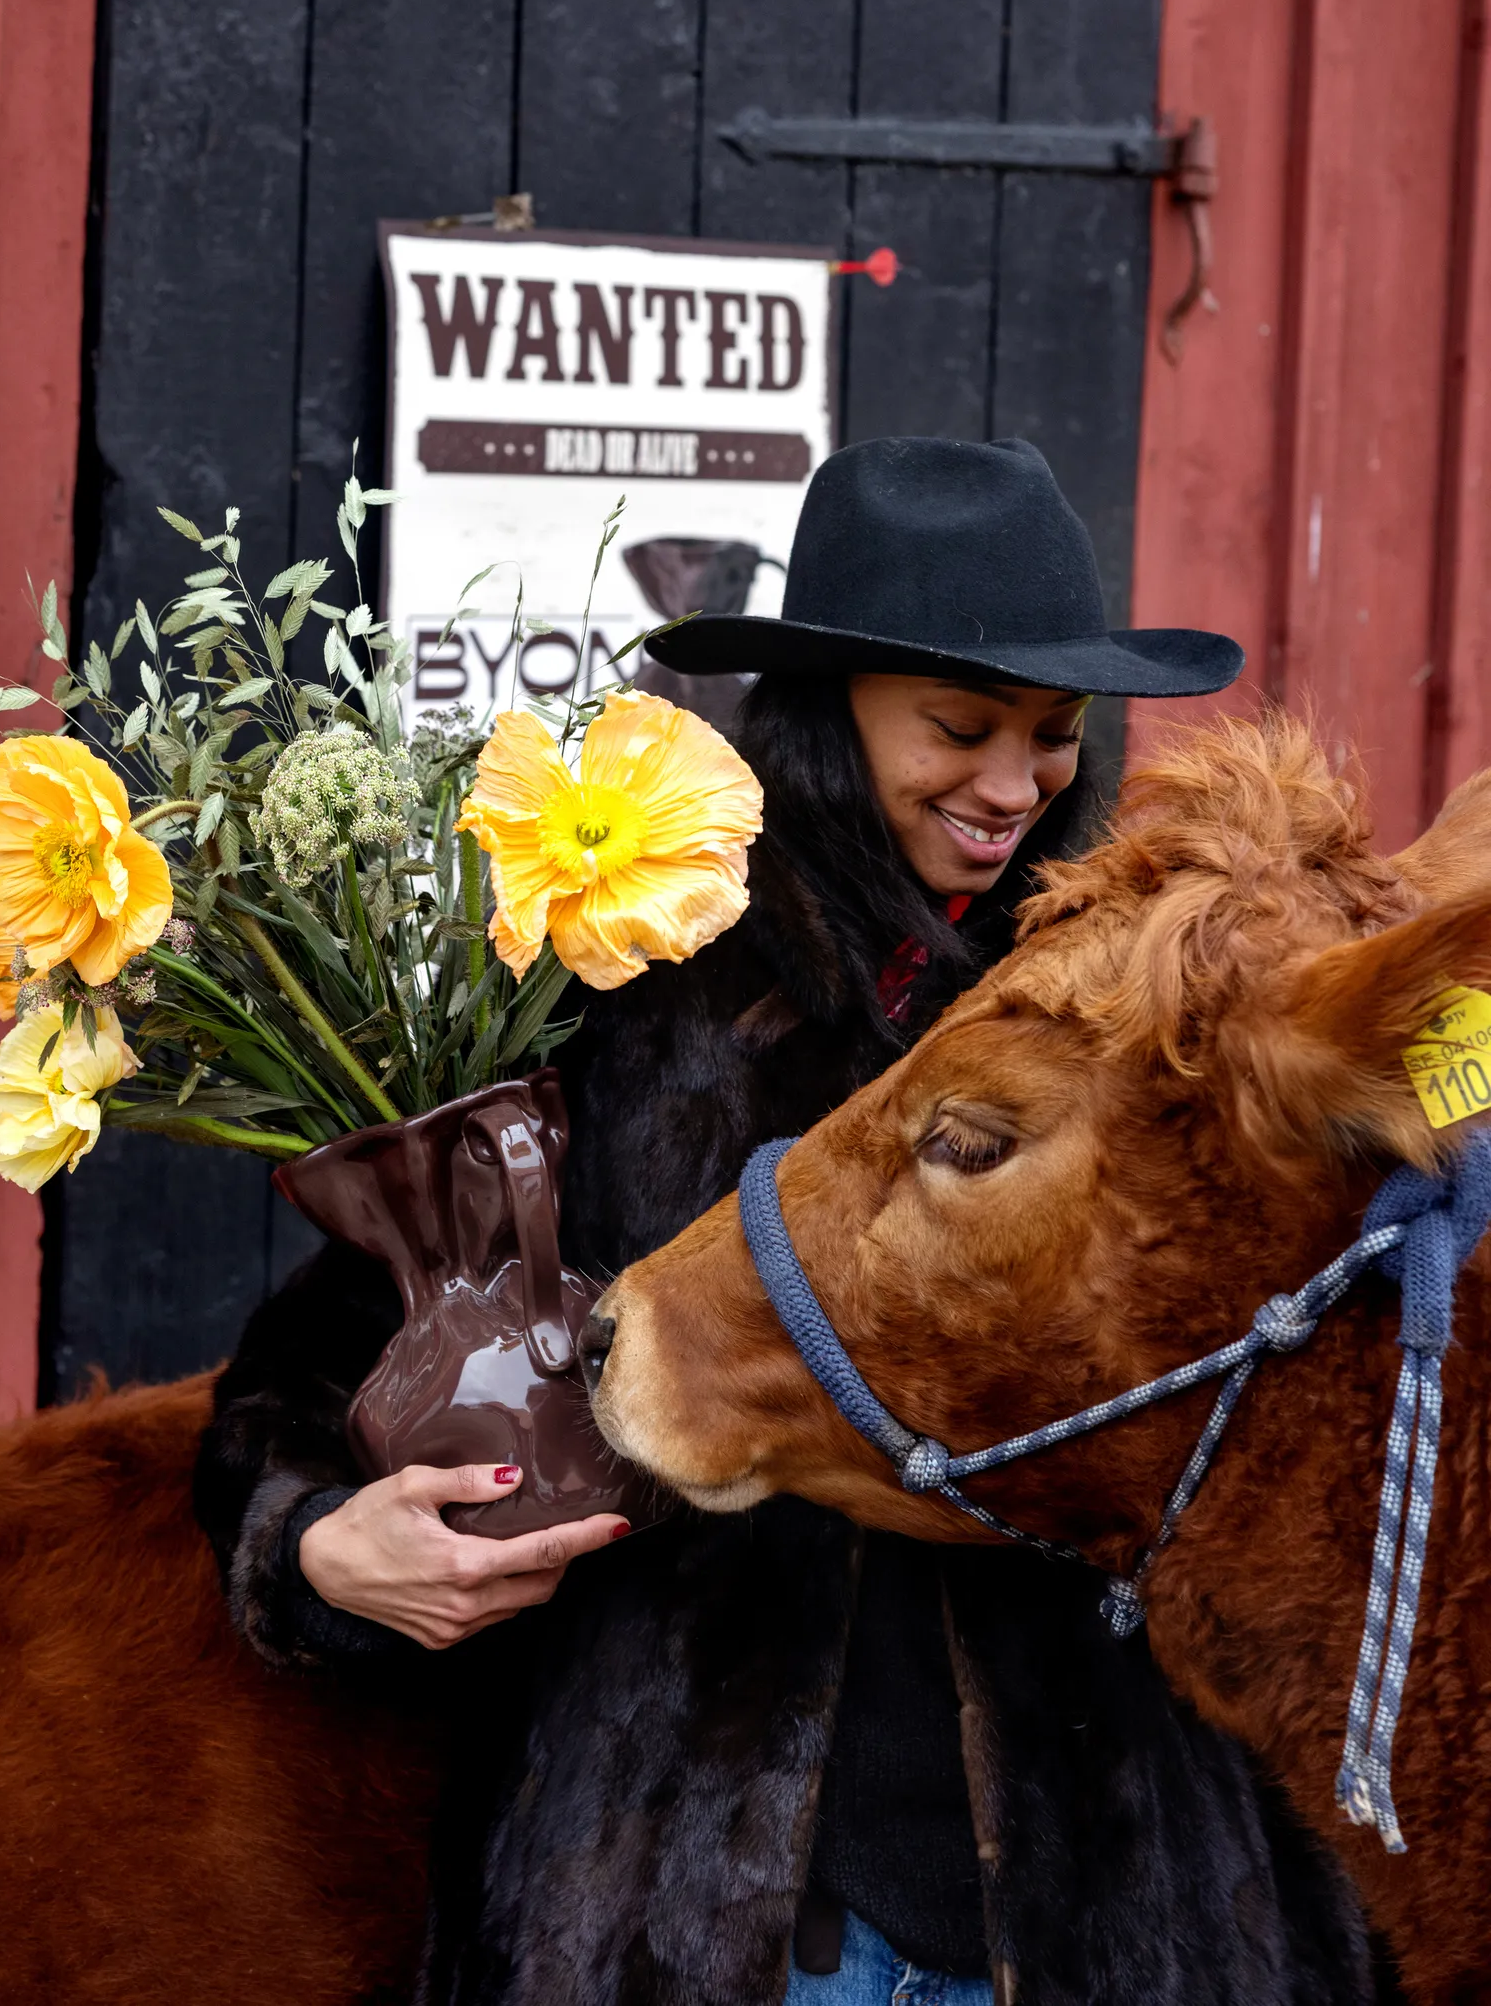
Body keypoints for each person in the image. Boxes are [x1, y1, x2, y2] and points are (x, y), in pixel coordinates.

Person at [197, 438, 1381, 2006]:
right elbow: (310, 1365)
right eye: (960, 729)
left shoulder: (1141, 1024)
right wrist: (317, 1548)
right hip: (697, 1898)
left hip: (1112, 1895)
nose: (1014, 788)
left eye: (1051, 738)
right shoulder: (629, 1001)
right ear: (830, 716)